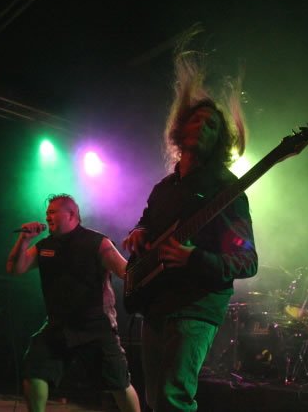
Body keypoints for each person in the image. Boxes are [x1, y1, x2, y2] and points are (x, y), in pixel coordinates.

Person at [122, 26, 258, 412]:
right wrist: (139, 231)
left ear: (221, 140)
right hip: (156, 302)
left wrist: (193, 258)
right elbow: (148, 220)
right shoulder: (164, 187)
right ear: (180, 128)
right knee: (155, 399)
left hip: (197, 306)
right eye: (197, 120)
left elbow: (247, 260)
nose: (204, 127)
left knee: (174, 397)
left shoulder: (227, 190)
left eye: (213, 125)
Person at [6, 194, 141, 412]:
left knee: (119, 383)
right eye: (47, 213)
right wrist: (24, 239)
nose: (47, 217)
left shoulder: (97, 242)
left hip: (96, 326)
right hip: (58, 326)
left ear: (71, 214)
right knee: (35, 369)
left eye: (52, 212)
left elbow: (125, 272)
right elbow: (15, 268)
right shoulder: (45, 246)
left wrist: (149, 262)